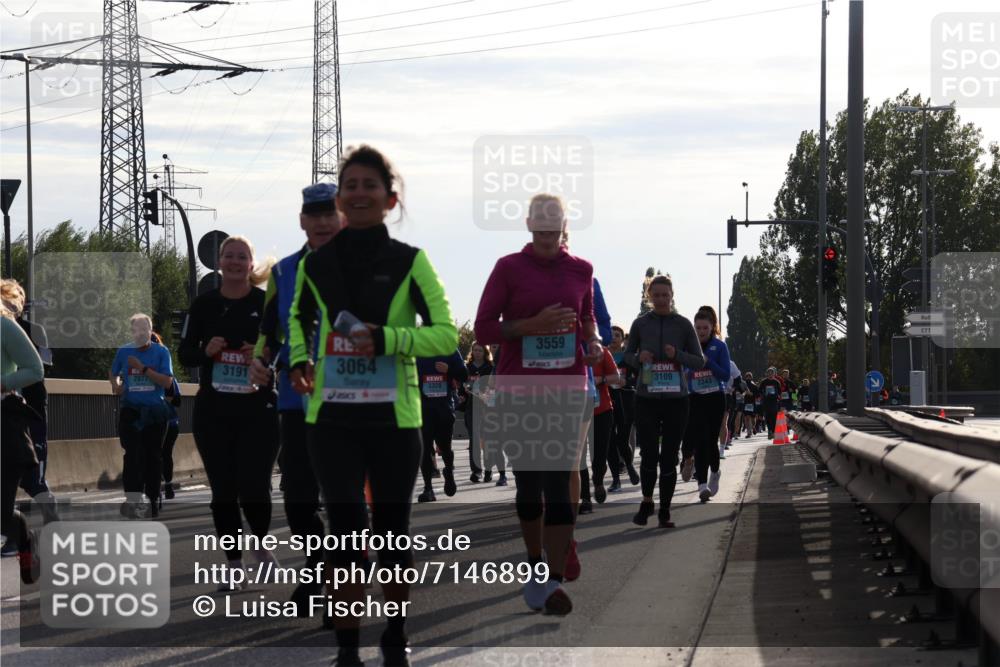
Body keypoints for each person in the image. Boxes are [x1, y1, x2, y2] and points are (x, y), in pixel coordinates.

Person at [288, 145, 457, 667]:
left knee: (391, 533)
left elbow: (446, 337)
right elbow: (299, 321)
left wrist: (387, 339)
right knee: (344, 536)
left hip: (394, 417)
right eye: (351, 186)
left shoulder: (411, 261)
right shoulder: (316, 265)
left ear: (390, 199)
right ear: (340, 199)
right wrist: (298, 360)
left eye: (370, 186)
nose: (359, 193)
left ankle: (395, 632)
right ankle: (346, 649)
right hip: (331, 418)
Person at [474, 193, 601, 616]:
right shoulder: (508, 268)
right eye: (539, 218)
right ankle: (535, 565)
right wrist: (532, 326)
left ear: (564, 222)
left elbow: (586, 318)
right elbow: (483, 329)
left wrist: (593, 339)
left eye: (555, 218)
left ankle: (553, 580)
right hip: (519, 391)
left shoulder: (582, 270)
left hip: (565, 392)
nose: (547, 225)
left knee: (560, 489)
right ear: (529, 222)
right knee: (530, 488)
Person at [250, 182, 341, 612]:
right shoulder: (284, 272)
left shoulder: (367, 266)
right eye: (314, 214)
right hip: (296, 398)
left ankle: (338, 588)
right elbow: (269, 330)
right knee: (299, 498)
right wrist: (259, 360)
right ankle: (318, 563)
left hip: (352, 398)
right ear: (302, 220)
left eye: (330, 213)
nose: (322, 221)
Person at [179, 235, 280, 589]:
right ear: (220, 263)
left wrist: (263, 351)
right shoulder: (204, 305)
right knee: (223, 491)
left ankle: (261, 547)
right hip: (215, 411)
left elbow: (286, 346)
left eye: (242, 256)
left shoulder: (266, 303)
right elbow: (185, 354)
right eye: (229, 256)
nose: (235, 262)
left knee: (254, 486)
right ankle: (234, 564)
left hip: (259, 409)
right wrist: (206, 349)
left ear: (251, 265)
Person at [623, 275, 704, 528]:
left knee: (669, 455)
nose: (660, 299)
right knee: (648, 454)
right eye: (655, 295)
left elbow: (699, 361)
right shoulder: (640, 324)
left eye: (664, 295)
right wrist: (639, 358)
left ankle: (665, 511)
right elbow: (626, 355)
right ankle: (647, 502)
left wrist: (677, 355)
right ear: (649, 296)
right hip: (646, 398)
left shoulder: (682, 325)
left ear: (672, 296)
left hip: (676, 400)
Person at [110, 314, 175, 518]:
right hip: (131, 410)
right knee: (132, 456)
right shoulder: (124, 351)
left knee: (152, 457)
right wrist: (116, 385)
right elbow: (113, 372)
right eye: (136, 330)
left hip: (155, 412)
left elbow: (167, 382)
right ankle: (133, 500)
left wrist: (142, 368)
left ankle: (153, 498)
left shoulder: (161, 352)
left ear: (150, 330)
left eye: (144, 329)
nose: (140, 333)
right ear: (132, 332)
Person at [1, 279, 43, 583]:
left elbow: (34, 368)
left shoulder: (4, 326)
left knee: (2, 514)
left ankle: (25, 538)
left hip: (4, 424)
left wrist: (4, 383)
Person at [685, 307, 730, 502]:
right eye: (698, 328)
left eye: (705, 328)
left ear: (712, 328)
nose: (701, 331)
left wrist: (708, 362)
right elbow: (684, 373)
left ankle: (715, 472)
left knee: (711, 440)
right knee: (701, 440)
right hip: (696, 398)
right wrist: (691, 367)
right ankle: (702, 484)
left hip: (715, 398)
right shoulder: (689, 347)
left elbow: (725, 374)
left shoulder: (720, 347)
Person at [416, 350, 468, 502]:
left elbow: (464, 375)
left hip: (444, 407)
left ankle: (449, 471)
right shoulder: (416, 349)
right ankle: (428, 489)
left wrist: (449, 370)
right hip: (422, 406)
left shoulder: (449, 349)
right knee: (424, 448)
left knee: (444, 446)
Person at [607, 325, 639, 491]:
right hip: (606, 402)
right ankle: (615, 479)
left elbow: (642, 377)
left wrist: (627, 382)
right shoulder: (601, 356)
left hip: (626, 401)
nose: (613, 338)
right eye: (611, 335)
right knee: (610, 442)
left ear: (622, 339)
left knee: (622, 439)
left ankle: (629, 464)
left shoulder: (628, 358)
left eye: (617, 335)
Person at [460, 342, 495, 483]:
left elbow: (495, 387)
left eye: (480, 350)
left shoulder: (490, 368)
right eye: (475, 350)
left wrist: (488, 393)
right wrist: (463, 393)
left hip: (487, 407)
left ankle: (488, 469)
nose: (477, 352)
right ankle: (476, 471)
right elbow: (462, 387)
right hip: (471, 407)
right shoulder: (466, 368)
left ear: (485, 353)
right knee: (474, 439)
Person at [759, 367, 783, 439]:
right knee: (767, 416)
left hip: (774, 401)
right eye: (768, 373)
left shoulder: (776, 382)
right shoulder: (764, 382)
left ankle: (772, 431)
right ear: (766, 374)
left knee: (774, 417)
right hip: (766, 401)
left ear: (774, 374)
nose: (770, 374)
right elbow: (759, 391)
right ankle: (770, 430)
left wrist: (779, 399)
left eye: (771, 373)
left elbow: (780, 392)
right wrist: (763, 395)